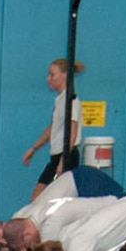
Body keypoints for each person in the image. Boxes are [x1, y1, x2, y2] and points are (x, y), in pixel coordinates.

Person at [21, 57, 83, 198]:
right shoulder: (60, 100)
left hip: (67, 155)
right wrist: (33, 148)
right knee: (38, 198)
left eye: (52, 75)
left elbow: (72, 132)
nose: (48, 78)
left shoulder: (71, 100)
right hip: (57, 156)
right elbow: (53, 128)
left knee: (41, 197)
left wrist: (63, 161)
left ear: (65, 75)